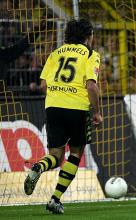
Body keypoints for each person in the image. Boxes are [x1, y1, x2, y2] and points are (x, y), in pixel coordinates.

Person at [23, 18, 102, 214]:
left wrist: (58, 96)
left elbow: (43, 85)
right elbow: (91, 86)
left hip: (53, 107)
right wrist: (98, 112)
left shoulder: (55, 54)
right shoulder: (91, 54)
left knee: (55, 156)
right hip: (77, 108)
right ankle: (55, 199)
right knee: (75, 154)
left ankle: (38, 168)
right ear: (88, 36)